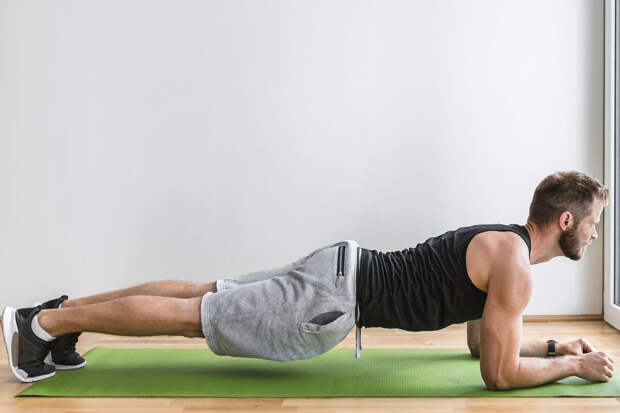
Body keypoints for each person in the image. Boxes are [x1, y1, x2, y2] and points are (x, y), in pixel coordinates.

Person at [2, 170, 615, 390]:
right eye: (593, 224)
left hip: (341, 266)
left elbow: (483, 343)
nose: (594, 236)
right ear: (566, 220)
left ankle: (53, 318)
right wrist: (572, 367)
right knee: (196, 318)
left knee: (204, 294)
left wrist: (554, 345)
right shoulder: (515, 269)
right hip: (335, 298)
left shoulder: (504, 244)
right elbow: (498, 375)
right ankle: (43, 326)